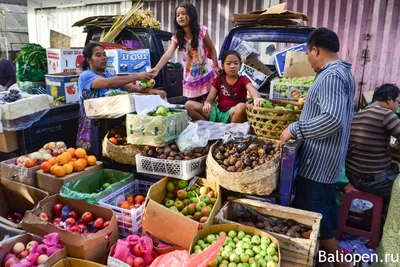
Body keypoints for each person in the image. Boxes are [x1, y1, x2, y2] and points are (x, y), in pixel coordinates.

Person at [280, 28, 355, 267]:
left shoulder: (331, 76)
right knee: (323, 204)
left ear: (315, 50)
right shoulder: (341, 73)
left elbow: (332, 119)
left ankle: (338, 261)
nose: (307, 60)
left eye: (307, 54)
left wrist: (296, 129)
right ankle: (321, 255)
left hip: (319, 160)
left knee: (316, 208)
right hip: (327, 157)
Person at [77, 42, 166, 151]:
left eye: (104, 54)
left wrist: (151, 91)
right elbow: (107, 83)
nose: (103, 58)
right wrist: (136, 76)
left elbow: (129, 87)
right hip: (93, 127)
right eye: (98, 55)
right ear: (89, 60)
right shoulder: (85, 76)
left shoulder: (109, 74)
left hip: (111, 125)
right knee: (94, 155)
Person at [150, 2, 220, 101]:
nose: (180, 17)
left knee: (209, 106)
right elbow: (168, 54)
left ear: (192, 15)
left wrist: (216, 66)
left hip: (206, 75)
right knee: (191, 106)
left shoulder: (201, 32)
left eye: (183, 13)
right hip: (190, 80)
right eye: (178, 15)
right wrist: (157, 69)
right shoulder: (177, 38)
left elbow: (212, 48)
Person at [346, 84, 400, 200]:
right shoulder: (386, 114)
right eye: (397, 102)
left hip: (353, 176)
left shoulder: (357, 115)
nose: (398, 105)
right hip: (373, 182)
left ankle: (374, 212)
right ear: (389, 100)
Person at [185, 50, 263, 123]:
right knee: (188, 105)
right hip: (217, 112)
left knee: (242, 106)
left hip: (232, 115)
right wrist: (207, 104)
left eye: (236, 63)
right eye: (228, 63)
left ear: (240, 65)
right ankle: (207, 126)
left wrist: (257, 98)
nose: (232, 66)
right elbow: (209, 100)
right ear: (223, 65)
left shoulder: (243, 79)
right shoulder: (219, 79)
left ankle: (230, 130)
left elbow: (253, 91)